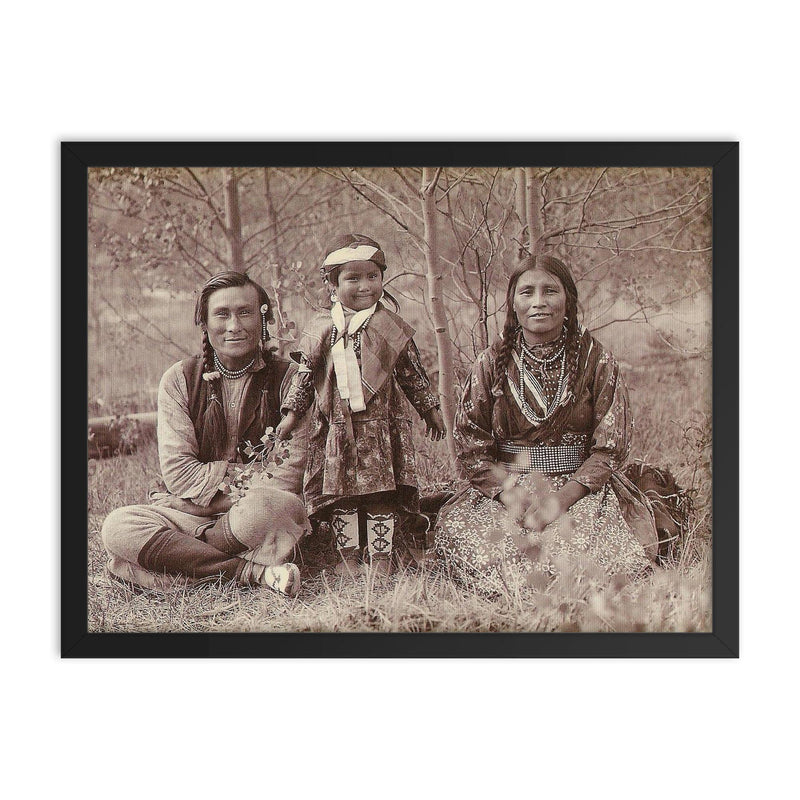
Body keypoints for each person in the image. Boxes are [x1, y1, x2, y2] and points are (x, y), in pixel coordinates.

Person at [434, 254, 660, 594]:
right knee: (489, 554)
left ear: (568, 299)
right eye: (527, 292)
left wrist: (559, 502)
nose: (539, 302)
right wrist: (518, 500)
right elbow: (470, 447)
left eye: (550, 291)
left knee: (580, 560)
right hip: (505, 492)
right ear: (512, 303)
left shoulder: (595, 360)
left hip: (580, 489)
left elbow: (611, 448)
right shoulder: (491, 362)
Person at [100, 271, 310, 596]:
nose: (234, 326)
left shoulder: (291, 379)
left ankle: (171, 564)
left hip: (245, 516)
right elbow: (179, 474)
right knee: (118, 525)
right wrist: (220, 496)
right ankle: (253, 572)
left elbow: (287, 476)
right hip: (188, 516)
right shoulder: (179, 379)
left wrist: (199, 506)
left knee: (272, 506)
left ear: (263, 317)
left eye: (245, 312)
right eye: (222, 314)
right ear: (205, 322)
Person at [276, 234, 446, 577]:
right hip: (337, 430)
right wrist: (292, 415)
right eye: (352, 278)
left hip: (381, 430)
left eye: (372, 276)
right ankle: (349, 558)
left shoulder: (390, 328)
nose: (364, 286)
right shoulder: (322, 329)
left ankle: (381, 559)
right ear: (332, 284)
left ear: (382, 279)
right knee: (342, 496)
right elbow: (305, 377)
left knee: (381, 493)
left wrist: (430, 409)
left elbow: (412, 375)